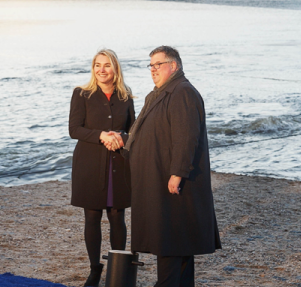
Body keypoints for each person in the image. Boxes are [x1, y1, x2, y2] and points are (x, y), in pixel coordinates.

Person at [114, 45, 221, 287]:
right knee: (178, 243)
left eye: (158, 64)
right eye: (150, 65)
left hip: (171, 182)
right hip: (157, 178)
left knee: (171, 241)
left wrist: (177, 173)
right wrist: (123, 140)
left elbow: (186, 137)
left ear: (174, 66)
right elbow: (145, 132)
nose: (153, 70)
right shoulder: (159, 93)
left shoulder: (182, 92)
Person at [68, 49, 135, 287]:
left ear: (115, 69)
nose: (101, 70)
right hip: (89, 163)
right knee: (92, 216)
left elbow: (134, 130)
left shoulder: (126, 96)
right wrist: (101, 135)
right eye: (97, 65)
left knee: (118, 216)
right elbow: (74, 129)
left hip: (118, 163)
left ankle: (119, 269)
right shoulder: (82, 94)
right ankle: (95, 269)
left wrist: (121, 136)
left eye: (107, 65)